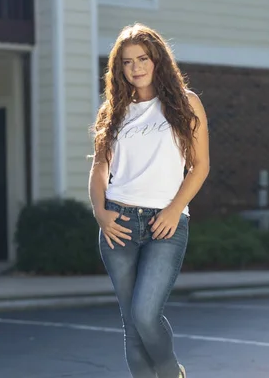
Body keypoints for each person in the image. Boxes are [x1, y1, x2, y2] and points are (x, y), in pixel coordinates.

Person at [88, 23, 210, 378]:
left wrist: (174, 210)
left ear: (157, 60)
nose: (136, 67)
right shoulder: (112, 113)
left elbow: (200, 166)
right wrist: (100, 212)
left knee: (144, 314)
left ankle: (172, 373)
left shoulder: (186, 104)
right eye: (127, 62)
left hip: (166, 223)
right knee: (131, 323)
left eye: (143, 58)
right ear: (119, 69)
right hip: (118, 223)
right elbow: (99, 170)